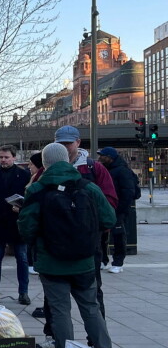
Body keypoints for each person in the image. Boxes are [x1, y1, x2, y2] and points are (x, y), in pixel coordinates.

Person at [18, 143, 115, 348]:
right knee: (91, 307)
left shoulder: (37, 190)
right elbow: (109, 219)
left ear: (44, 164)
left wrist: (38, 242)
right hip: (84, 262)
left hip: (51, 262)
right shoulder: (88, 188)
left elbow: (26, 227)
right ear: (68, 160)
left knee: (60, 310)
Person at [54, 125, 117, 319]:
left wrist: (95, 226)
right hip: (57, 239)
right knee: (55, 298)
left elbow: (110, 201)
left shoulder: (93, 168)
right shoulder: (49, 169)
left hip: (88, 240)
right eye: (60, 144)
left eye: (68, 143)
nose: (65, 148)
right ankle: (56, 337)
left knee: (93, 290)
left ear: (78, 142)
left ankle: (98, 338)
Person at [0, 145, 31, 304]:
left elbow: (28, 198)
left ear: (14, 157)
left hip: (17, 223)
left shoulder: (24, 175)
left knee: (22, 258)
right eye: (1, 157)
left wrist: (22, 209)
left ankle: (23, 292)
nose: (3, 160)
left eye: (6, 157)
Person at [97, 146, 137, 274]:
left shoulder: (122, 171)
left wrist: (120, 209)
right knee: (102, 234)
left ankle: (118, 262)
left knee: (118, 234)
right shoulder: (105, 169)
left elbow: (128, 192)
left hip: (117, 208)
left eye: (102, 155)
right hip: (106, 207)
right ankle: (103, 260)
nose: (100, 157)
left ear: (110, 157)